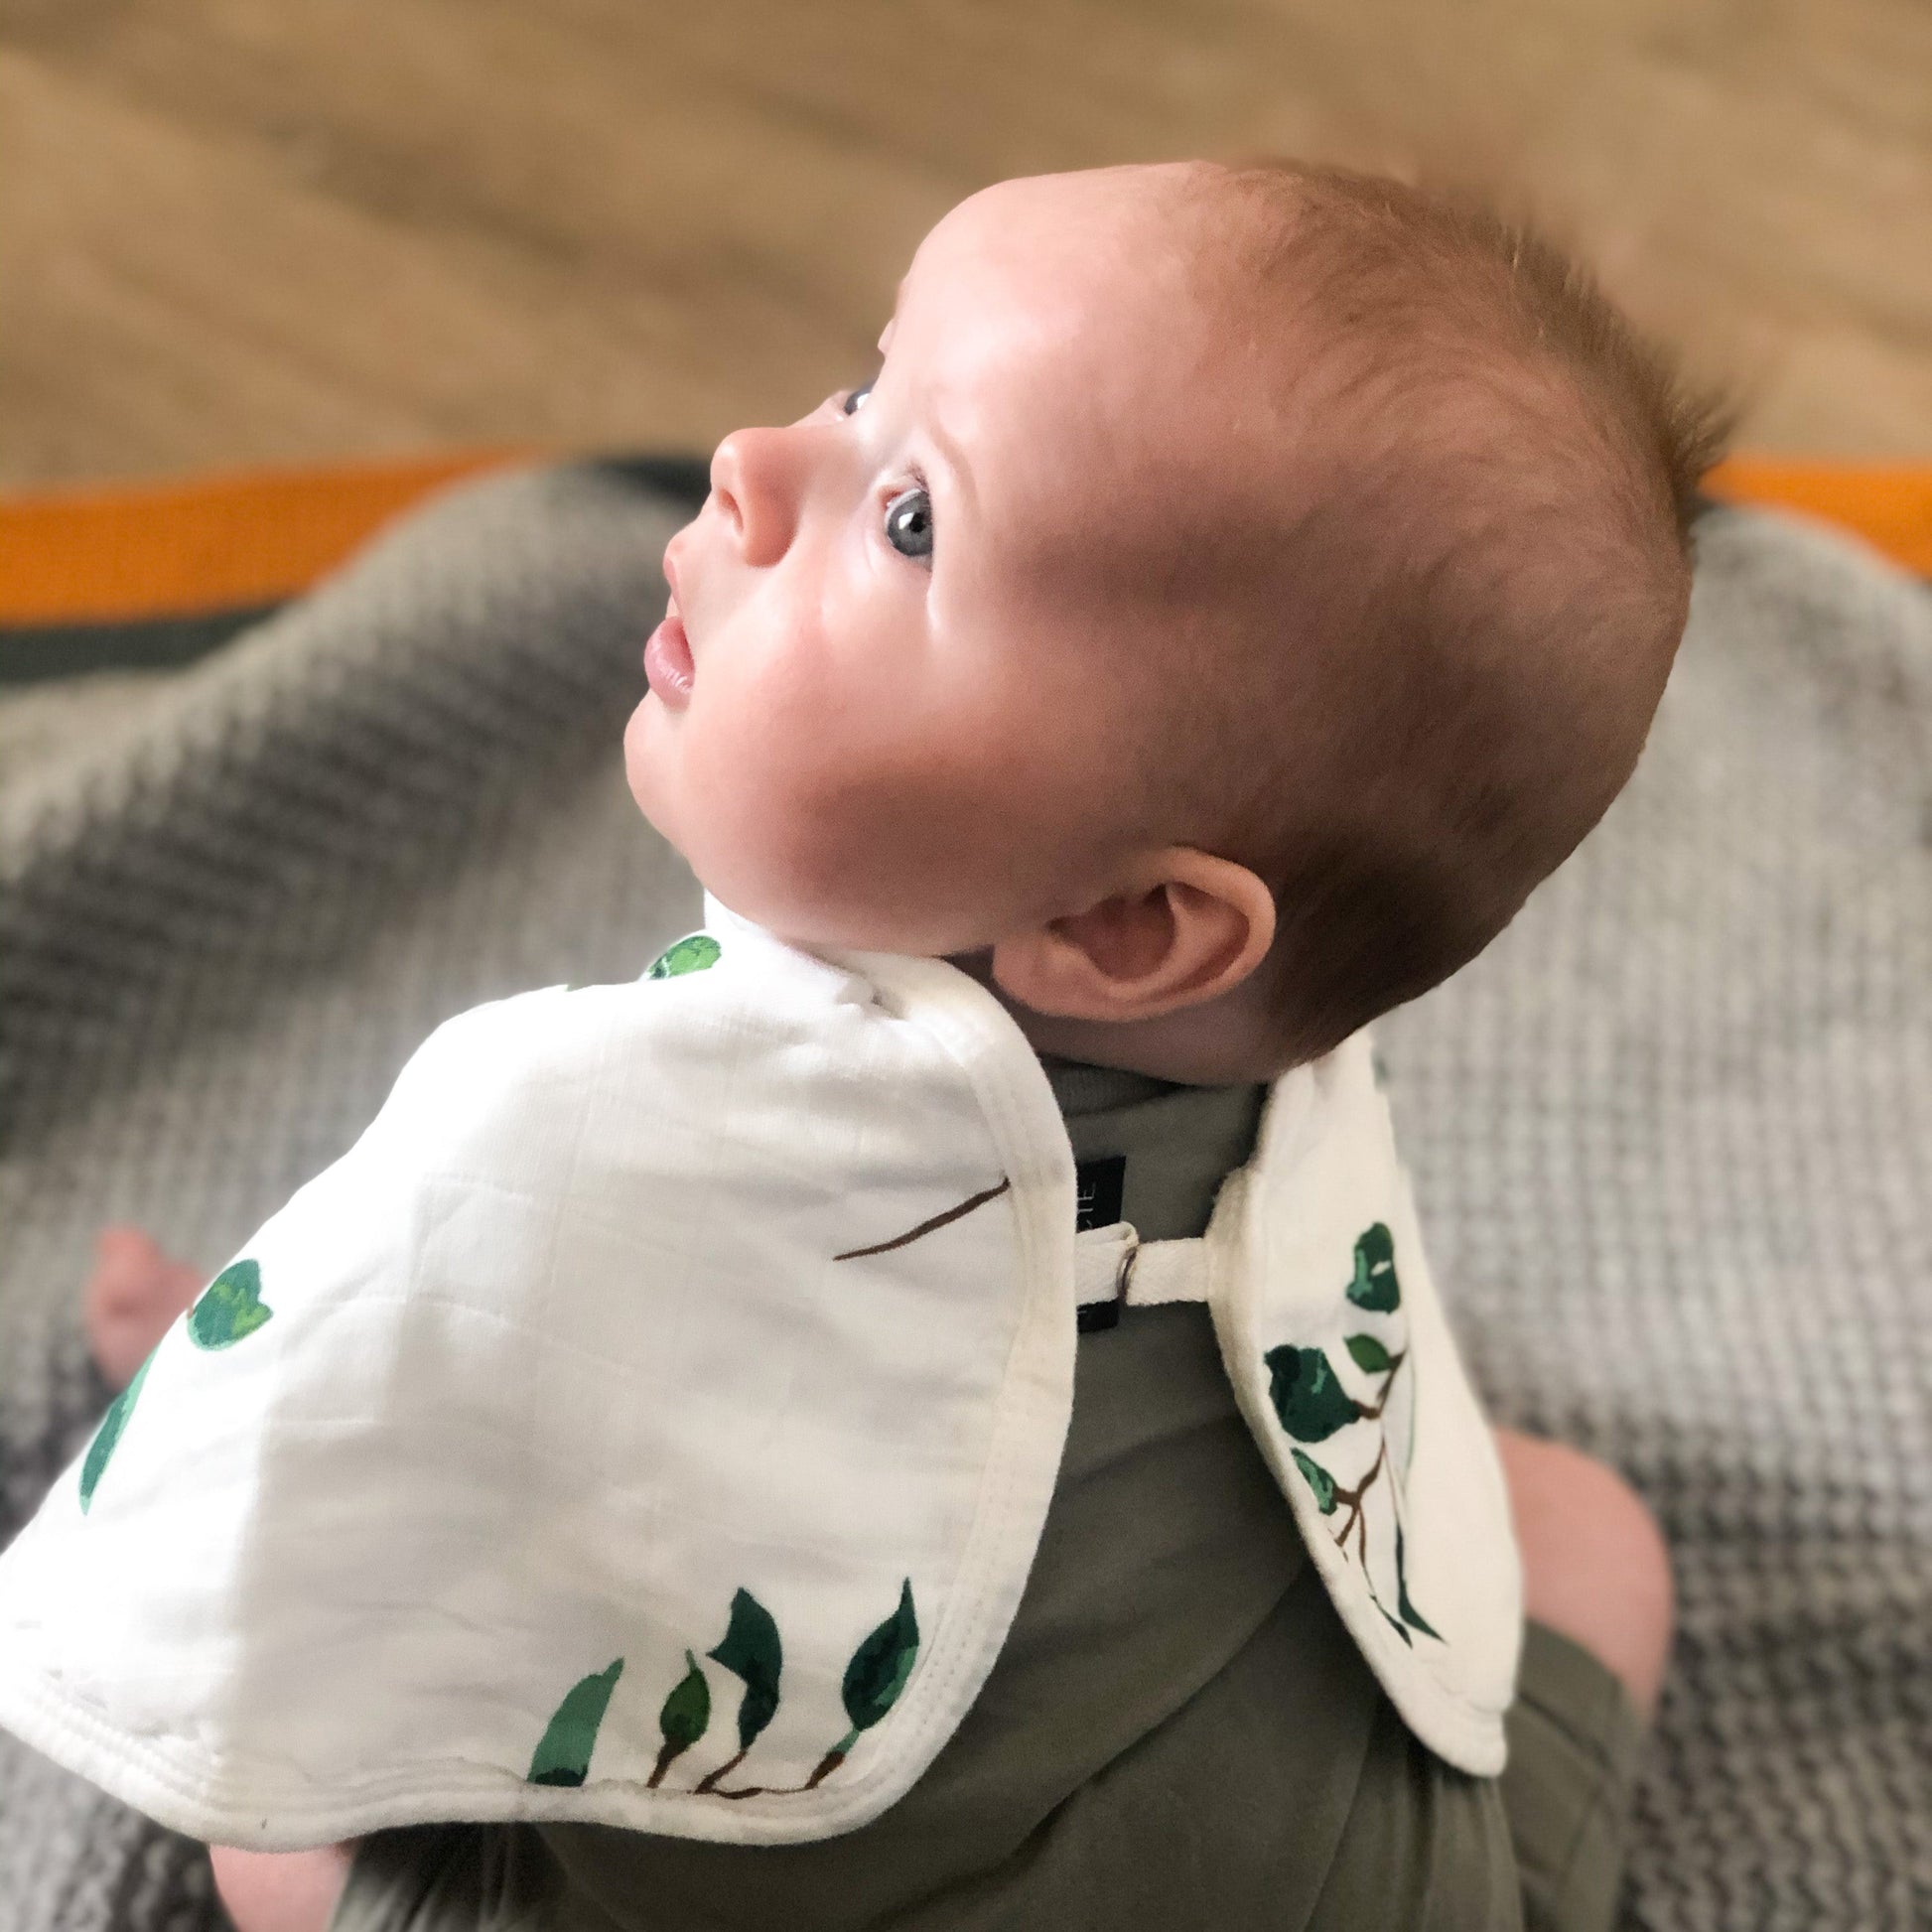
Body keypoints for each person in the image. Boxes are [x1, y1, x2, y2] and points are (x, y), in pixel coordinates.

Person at [23, 158, 1719, 1931]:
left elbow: (313, 1552)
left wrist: (281, 1360)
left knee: (283, 1823)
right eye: (861, 384)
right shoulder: (1267, 1058)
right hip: (1382, 1889)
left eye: (909, 518)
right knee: (1584, 1529)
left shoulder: (602, 1142)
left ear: (1125, 926)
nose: (753, 468)